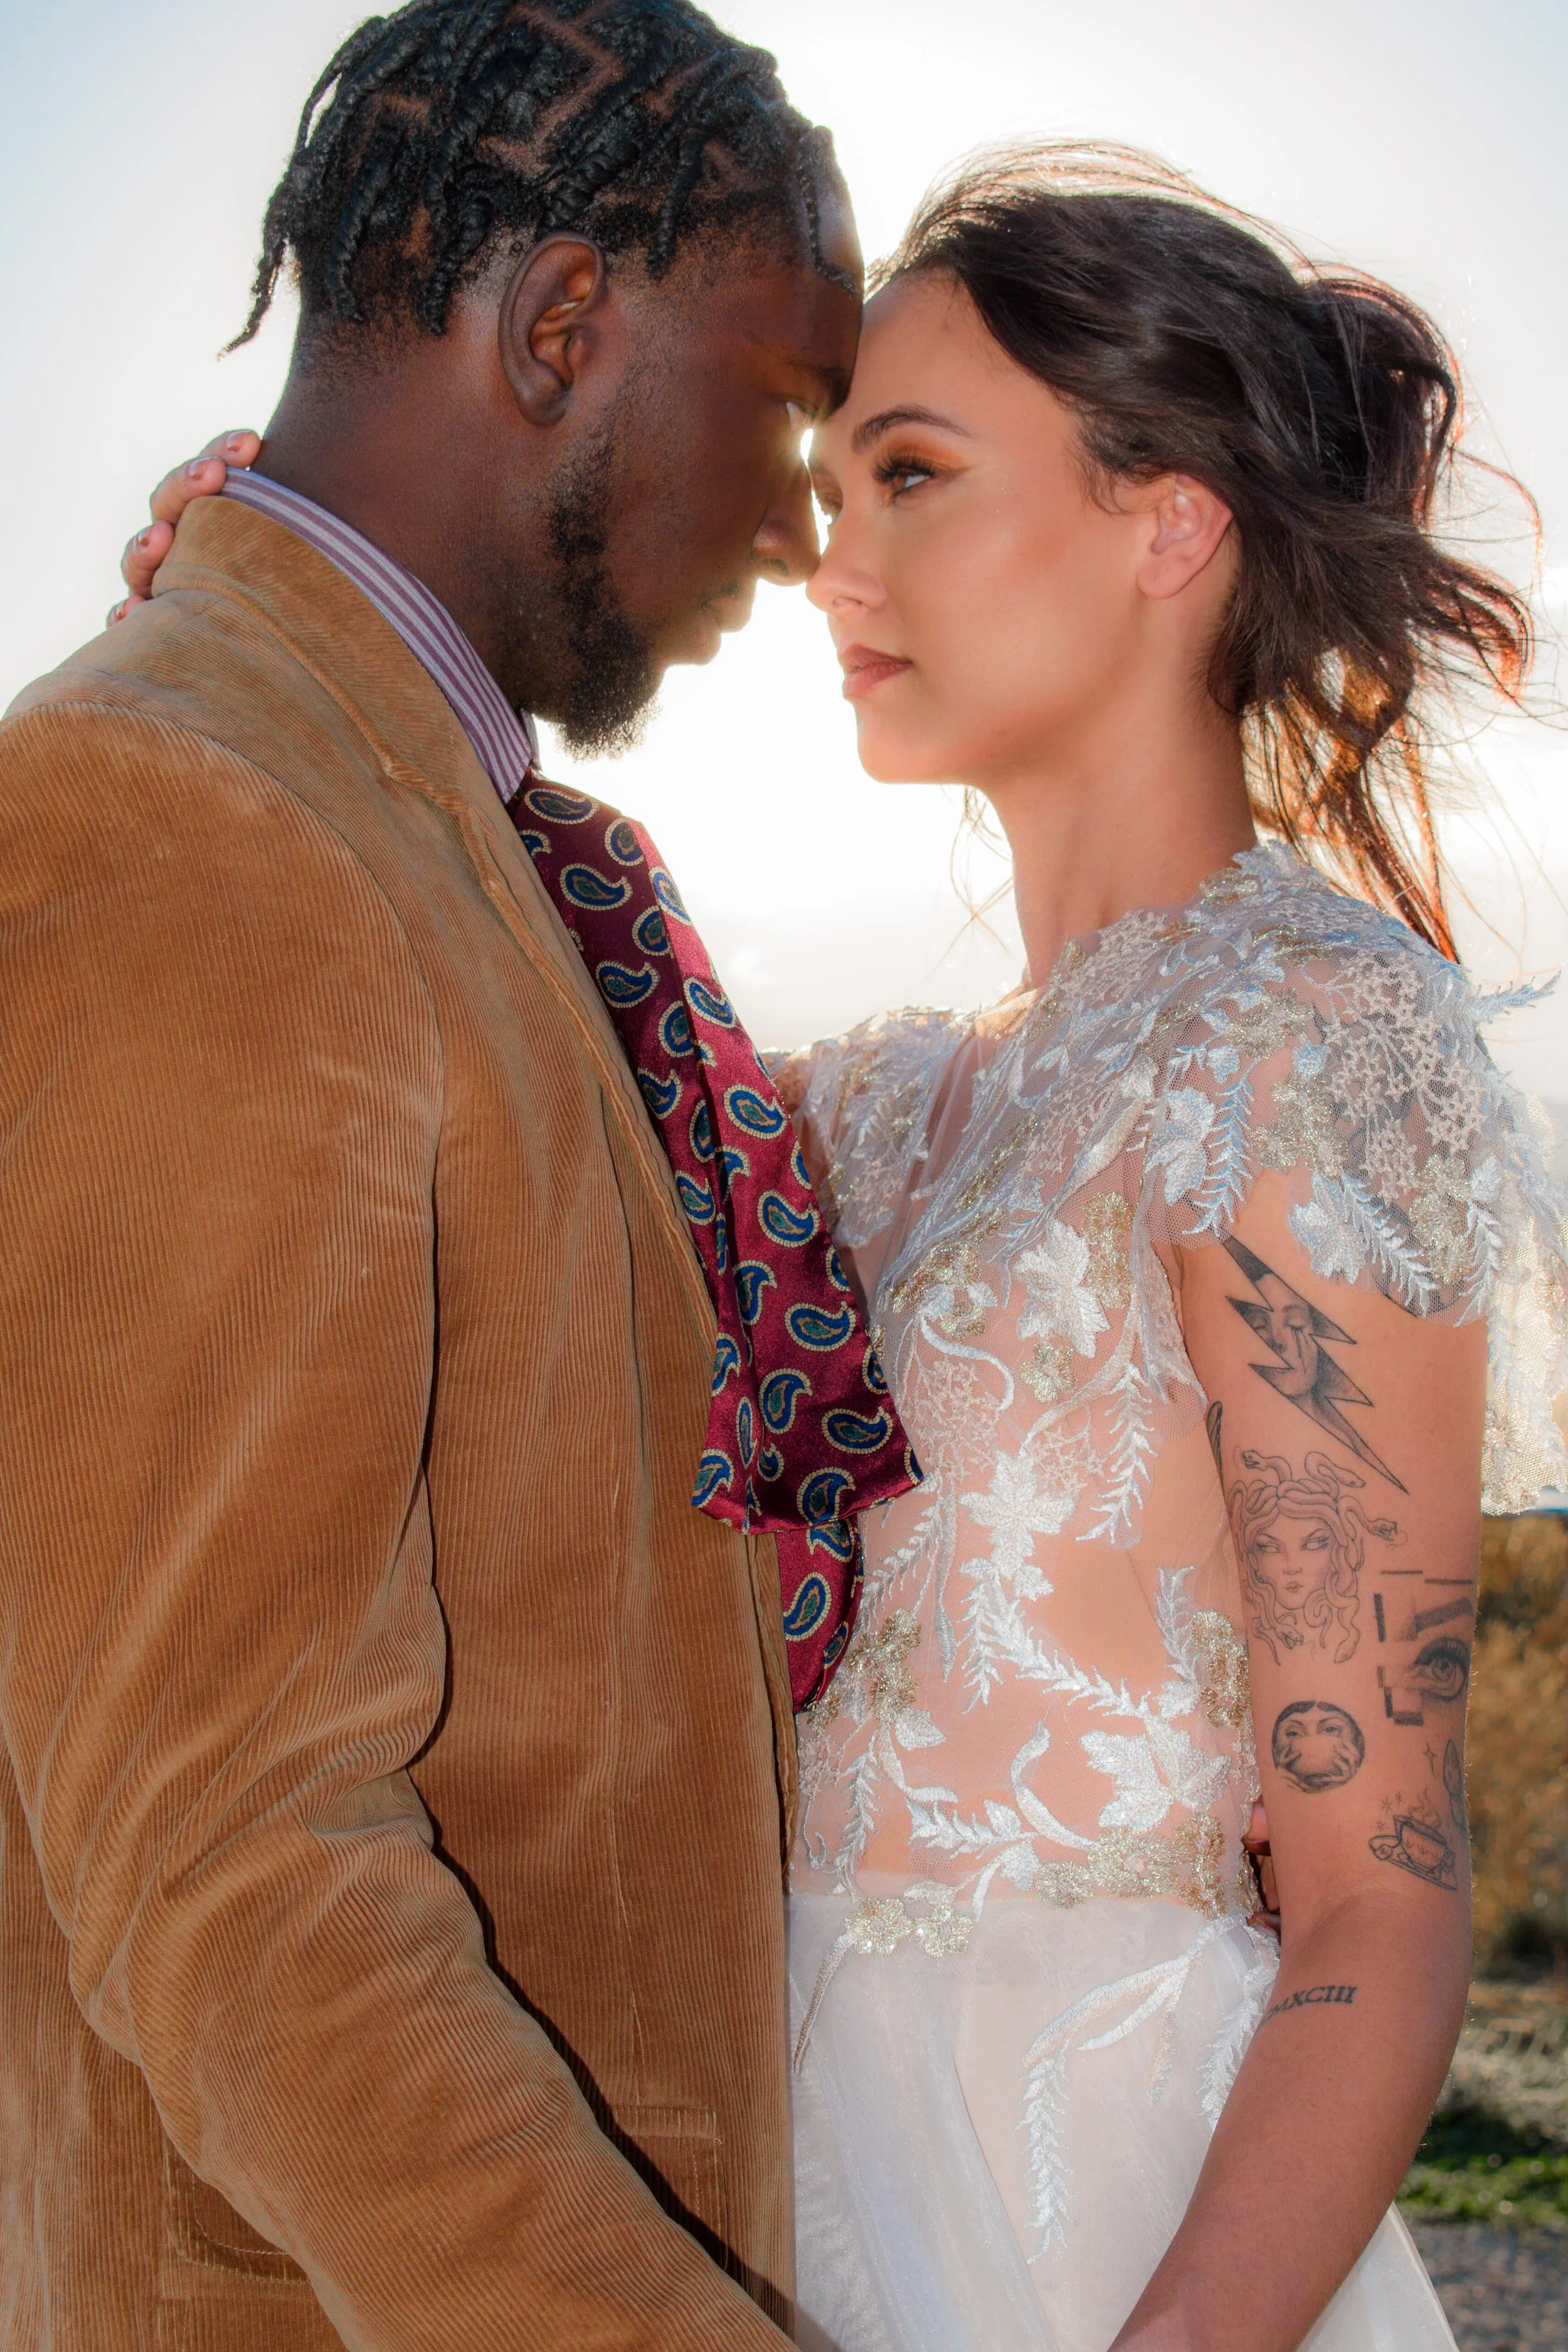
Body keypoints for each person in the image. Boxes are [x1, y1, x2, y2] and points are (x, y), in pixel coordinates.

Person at [105, 140, 1567, 2352]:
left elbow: (1381, 1891)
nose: (827, 558)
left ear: (1169, 526)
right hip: (737, 2162)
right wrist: (273, 628)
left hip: (1090, 2211)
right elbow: (432, 1036)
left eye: (908, 474)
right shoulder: (851, 1109)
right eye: (826, 481)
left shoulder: (1309, 1039)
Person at [0, 4, 906, 2346]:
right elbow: (230, 1852)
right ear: (562, 327)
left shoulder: (405, 808)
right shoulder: (194, 815)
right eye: (787, 409)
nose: (801, 524)